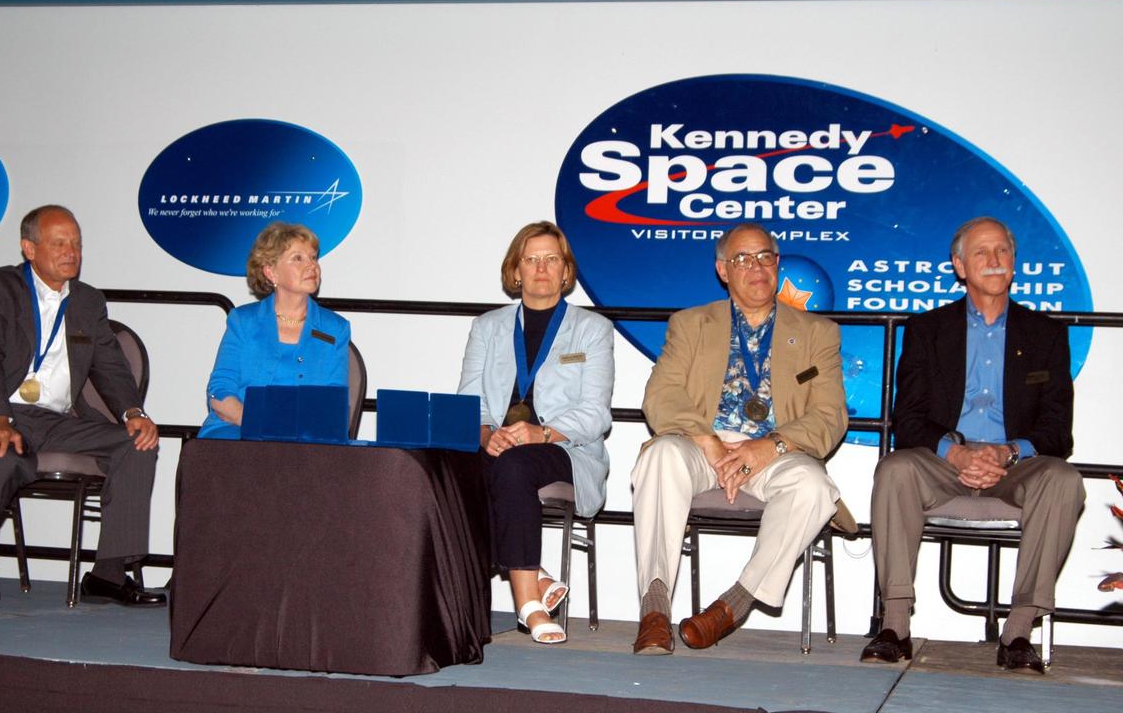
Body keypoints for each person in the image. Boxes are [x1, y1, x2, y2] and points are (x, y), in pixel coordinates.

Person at [861, 216, 1084, 674]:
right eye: (981, 253)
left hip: (1015, 464)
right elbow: (908, 421)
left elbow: (1058, 433)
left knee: (1064, 479)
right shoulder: (928, 330)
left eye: (1002, 251)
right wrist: (956, 453)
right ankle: (895, 625)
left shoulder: (1044, 334)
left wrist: (1008, 452)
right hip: (944, 460)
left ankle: (1019, 631)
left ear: (1014, 262)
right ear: (960, 266)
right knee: (895, 468)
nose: (994, 261)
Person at [630, 223, 847, 654]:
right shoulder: (690, 324)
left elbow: (829, 415)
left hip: (775, 452)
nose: (756, 268)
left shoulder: (817, 333)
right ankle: (655, 608)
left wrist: (771, 446)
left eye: (765, 256)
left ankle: (734, 604)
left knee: (813, 487)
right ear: (722, 270)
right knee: (661, 458)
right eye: (742, 259)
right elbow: (661, 394)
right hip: (702, 445)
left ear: (777, 264)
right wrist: (705, 439)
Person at [0, 204, 163, 606]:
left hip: (58, 421)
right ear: (29, 248)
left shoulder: (88, 301)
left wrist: (134, 413)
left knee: (137, 444)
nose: (71, 251)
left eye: (76, 243)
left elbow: (110, 365)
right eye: (59, 243)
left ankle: (107, 575)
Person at [458, 221, 614, 644]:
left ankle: (526, 602)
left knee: (511, 466)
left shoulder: (591, 329)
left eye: (552, 259)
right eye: (532, 259)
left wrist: (539, 433)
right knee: (447, 467)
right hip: (499, 444)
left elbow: (595, 414)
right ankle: (536, 578)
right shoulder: (487, 327)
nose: (541, 268)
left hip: (563, 449)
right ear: (515, 272)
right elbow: (470, 401)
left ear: (566, 272)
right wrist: (487, 434)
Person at [198, 222, 350, 439]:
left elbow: (334, 404)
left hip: (304, 436)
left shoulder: (335, 328)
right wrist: (256, 422)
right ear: (271, 272)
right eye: (298, 258)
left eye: (313, 257)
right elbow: (220, 391)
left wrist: (294, 430)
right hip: (239, 429)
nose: (312, 266)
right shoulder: (243, 321)